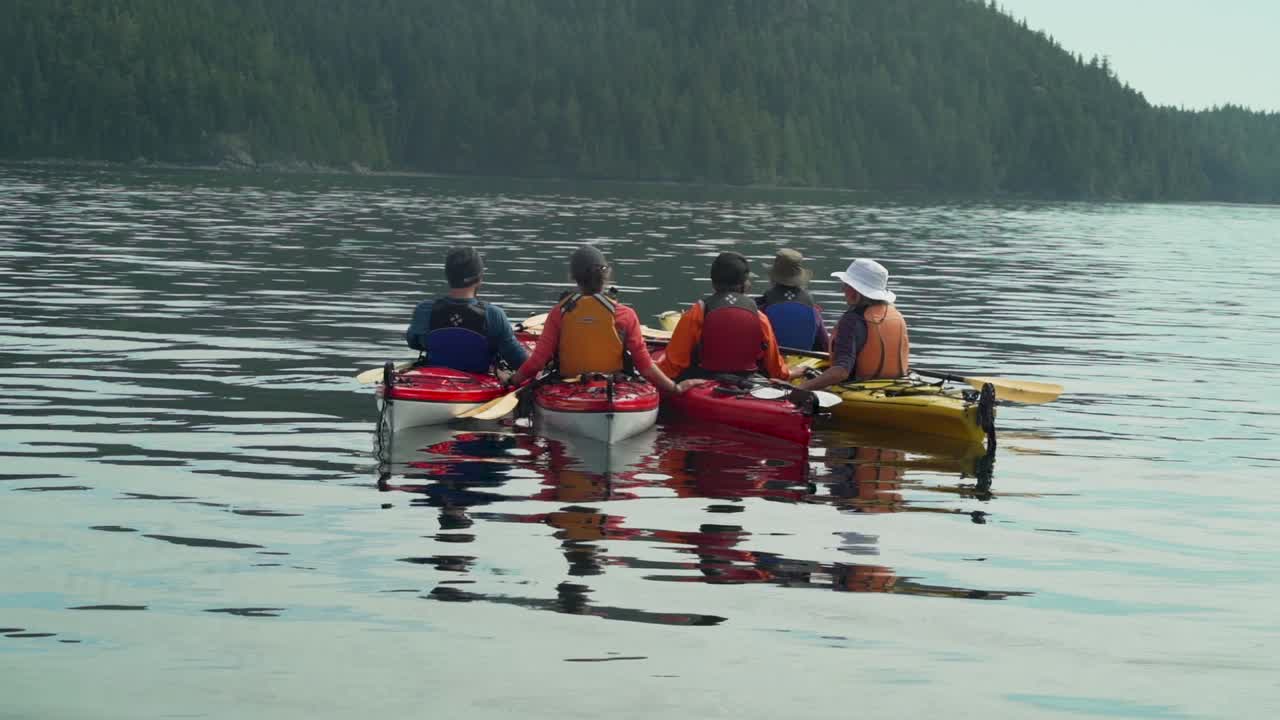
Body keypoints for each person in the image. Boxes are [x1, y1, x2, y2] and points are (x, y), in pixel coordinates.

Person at [505, 245, 697, 394]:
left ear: (573, 277)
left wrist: (512, 381)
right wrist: (674, 388)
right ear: (606, 275)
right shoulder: (625, 314)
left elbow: (537, 362)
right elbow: (645, 367)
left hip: (570, 388)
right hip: (614, 389)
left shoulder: (559, 313)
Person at [657, 251, 794, 381]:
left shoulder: (697, 313)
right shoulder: (758, 316)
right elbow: (776, 371)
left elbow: (671, 368)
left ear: (713, 283)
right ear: (744, 285)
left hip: (702, 381)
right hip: (747, 382)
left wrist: (652, 370)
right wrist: (792, 373)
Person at [404, 246, 528, 374]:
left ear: (447, 276)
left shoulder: (424, 310)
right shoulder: (494, 315)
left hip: (433, 383)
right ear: (479, 279)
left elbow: (413, 342)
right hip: (478, 386)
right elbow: (519, 362)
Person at [795, 258, 909, 391]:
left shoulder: (851, 321)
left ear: (856, 291)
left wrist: (798, 389)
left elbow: (841, 372)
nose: (842, 289)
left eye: (846, 285)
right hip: (896, 387)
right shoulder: (896, 316)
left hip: (859, 390)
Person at [756, 249, 831, 352]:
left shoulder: (762, 306)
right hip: (805, 361)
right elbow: (825, 344)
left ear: (772, 277)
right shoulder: (813, 309)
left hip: (774, 361)